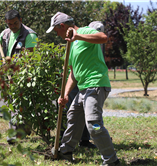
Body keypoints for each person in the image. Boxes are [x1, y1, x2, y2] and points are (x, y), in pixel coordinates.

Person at [47, 12, 120, 166]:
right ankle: (65, 151)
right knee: (73, 117)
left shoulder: (85, 31)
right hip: (83, 89)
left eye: (56, 31)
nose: (57, 34)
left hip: (96, 84)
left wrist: (78, 36)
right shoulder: (70, 44)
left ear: (62, 26)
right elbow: (73, 73)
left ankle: (111, 160)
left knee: (94, 124)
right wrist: (65, 94)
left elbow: (103, 38)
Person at [0, 10, 38, 144]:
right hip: (8, 75)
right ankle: (18, 134)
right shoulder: (5, 34)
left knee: (20, 104)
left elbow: (29, 58)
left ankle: (18, 134)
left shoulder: (30, 35)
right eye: (9, 24)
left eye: (15, 23)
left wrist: (12, 67)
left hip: (23, 75)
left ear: (20, 19)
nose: (12, 26)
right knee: (13, 104)